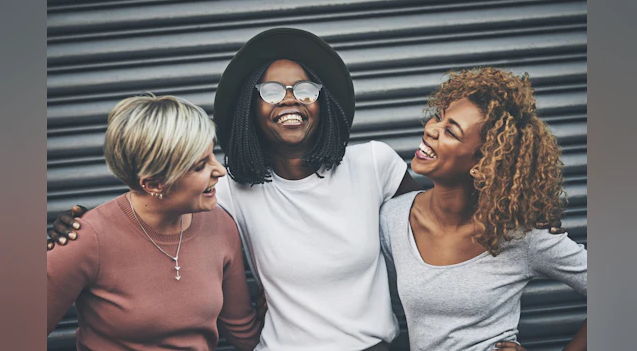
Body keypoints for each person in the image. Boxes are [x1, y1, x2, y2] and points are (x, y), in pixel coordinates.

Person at [48, 29, 563, 351]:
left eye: (305, 88)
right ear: (252, 107)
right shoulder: (228, 190)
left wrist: (522, 217)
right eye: (271, 91)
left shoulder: (374, 165)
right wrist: (77, 230)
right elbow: (154, 215)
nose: (290, 100)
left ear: (324, 102)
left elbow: (447, 211)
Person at [379, 67, 587, 351]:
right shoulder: (393, 219)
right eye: (438, 118)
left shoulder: (520, 236)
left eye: (450, 131)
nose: (430, 129)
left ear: (482, 165)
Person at [47, 94, 262, 350]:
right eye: (200, 166)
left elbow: (244, 333)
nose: (220, 171)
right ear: (154, 184)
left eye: (212, 155)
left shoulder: (221, 226)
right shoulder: (86, 239)